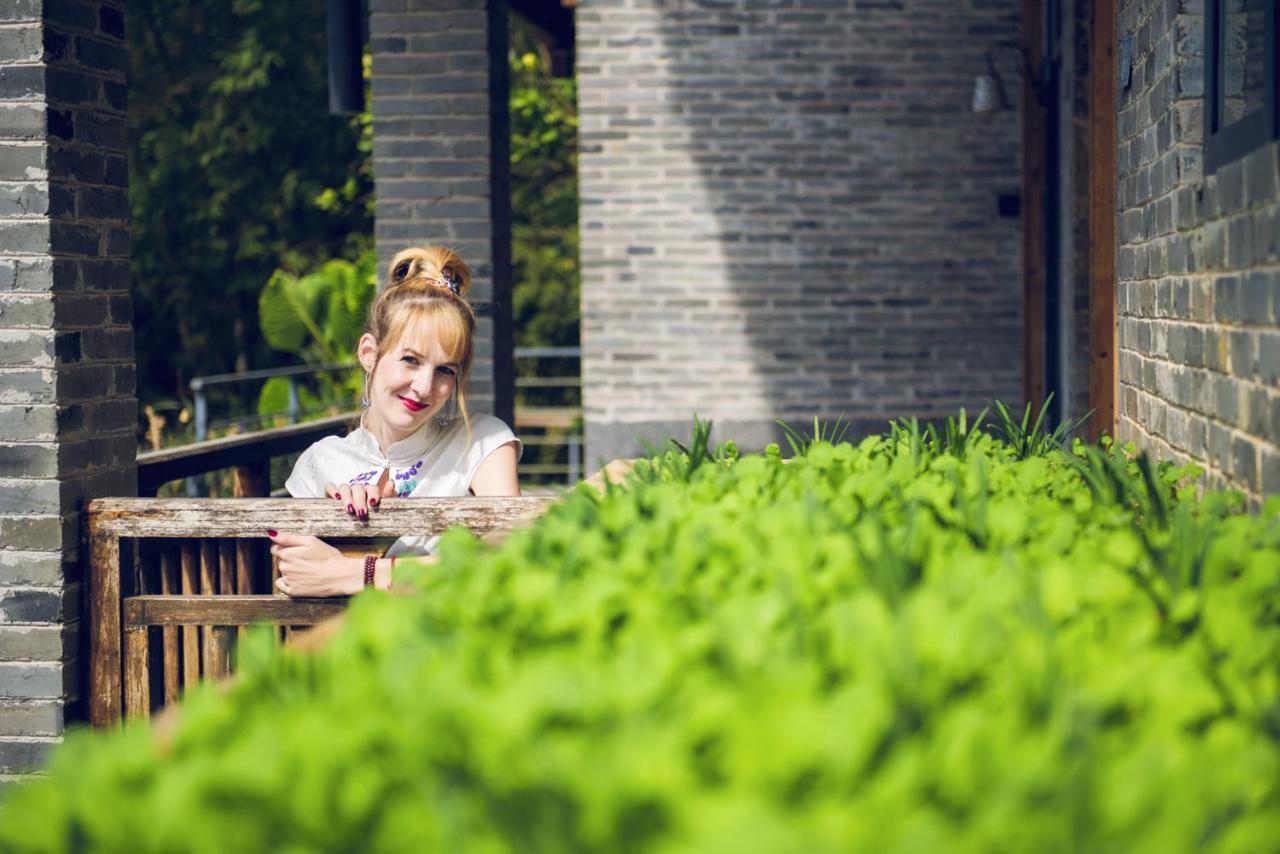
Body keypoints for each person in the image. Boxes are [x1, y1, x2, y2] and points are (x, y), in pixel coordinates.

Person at [267, 246, 521, 597]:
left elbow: (511, 559)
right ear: (369, 353)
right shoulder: (320, 461)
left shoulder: (481, 442)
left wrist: (359, 573)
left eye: (445, 370)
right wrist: (339, 526)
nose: (424, 387)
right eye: (411, 360)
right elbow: (293, 576)